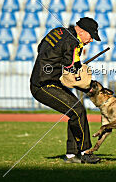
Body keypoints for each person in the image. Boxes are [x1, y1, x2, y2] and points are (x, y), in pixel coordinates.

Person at [30, 17, 101, 164]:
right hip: (44, 85)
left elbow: (40, 49)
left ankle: (71, 155)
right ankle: (85, 152)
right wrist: (83, 76)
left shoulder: (58, 31)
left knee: (76, 111)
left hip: (42, 81)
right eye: (91, 36)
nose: (91, 40)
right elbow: (71, 70)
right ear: (81, 31)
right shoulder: (73, 42)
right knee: (78, 111)